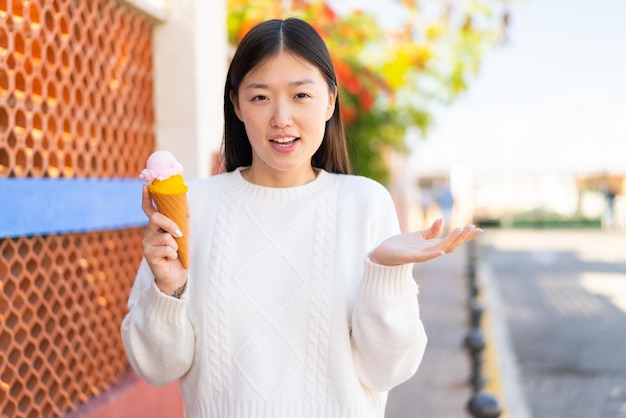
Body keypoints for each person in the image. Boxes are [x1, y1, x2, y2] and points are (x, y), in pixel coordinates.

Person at [121, 17, 483, 418]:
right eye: (260, 97)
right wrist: (169, 289)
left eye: (301, 96)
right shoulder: (195, 208)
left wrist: (385, 274)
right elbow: (156, 368)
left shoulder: (364, 202)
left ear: (329, 100)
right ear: (236, 103)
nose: (281, 118)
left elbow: (388, 371)